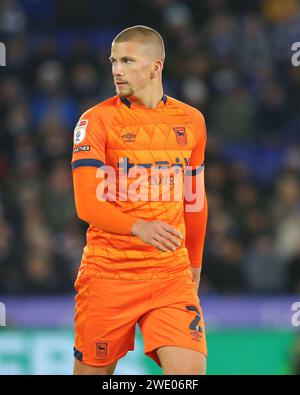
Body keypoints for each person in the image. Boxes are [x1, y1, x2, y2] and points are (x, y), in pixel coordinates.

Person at [71, 25, 208, 375]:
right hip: (108, 275)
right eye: (113, 61)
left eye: (127, 60)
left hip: (169, 275)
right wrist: (137, 226)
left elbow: (194, 200)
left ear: (155, 66)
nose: (116, 69)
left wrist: (194, 261)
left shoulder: (191, 121)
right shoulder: (95, 120)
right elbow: (86, 204)